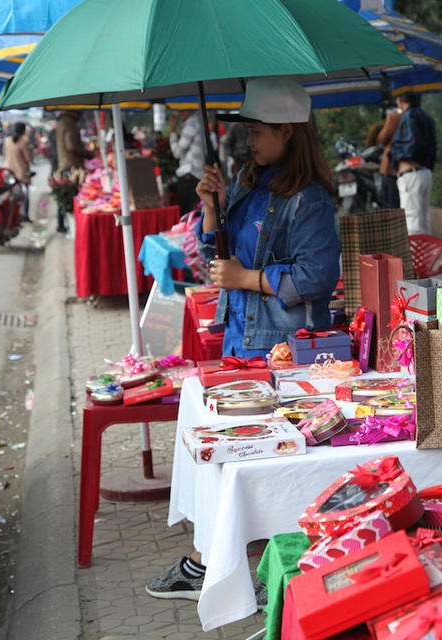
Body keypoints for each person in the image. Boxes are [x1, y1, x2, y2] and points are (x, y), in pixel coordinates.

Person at [145, 78, 339, 601]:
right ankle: (217, 565)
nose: (248, 140)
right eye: (248, 131)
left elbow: (317, 276)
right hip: (240, 341)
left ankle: (231, 570)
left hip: (280, 349)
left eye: (257, 131)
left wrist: (248, 279)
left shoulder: (310, 200)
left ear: (288, 131)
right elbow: (219, 252)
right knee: (235, 456)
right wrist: (213, 206)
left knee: (264, 459)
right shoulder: (252, 182)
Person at [389, 92, 436, 234]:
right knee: (424, 220)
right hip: (424, 173)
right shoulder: (427, 117)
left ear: (399, 100)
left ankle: (415, 256)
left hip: (411, 174)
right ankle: (425, 256)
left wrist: (396, 154)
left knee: (412, 223)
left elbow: (412, 145)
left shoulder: (409, 115)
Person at [55, 110, 90, 233]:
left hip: (65, 164)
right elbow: (72, 146)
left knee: (65, 198)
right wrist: (87, 153)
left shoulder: (62, 122)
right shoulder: (69, 123)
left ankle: (62, 225)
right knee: (70, 198)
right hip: (71, 165)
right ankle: (67, 227)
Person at [168, 111, 206, 215]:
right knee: (193, 212)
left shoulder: (191, 125)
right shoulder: (194, 123)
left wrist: (172, 130)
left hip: (190, 174)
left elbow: (177, 152)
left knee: (187, 213)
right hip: (194, 174)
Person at [3, 122, 34, 222]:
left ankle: (9, 215)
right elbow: (29, 158)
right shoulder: (24, 142)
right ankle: (24, 216)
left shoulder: (7, 140)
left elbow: (4, 155)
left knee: (10, 195)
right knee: (24, 196)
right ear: (24, 131)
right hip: (21, 173)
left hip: (8, 172)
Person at [374, 106, 403, 209]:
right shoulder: (418, 116)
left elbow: (382, 138)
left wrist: (388, 120)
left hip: (392, 166)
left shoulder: (393, 117)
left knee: (391, 204)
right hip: (408, 167)